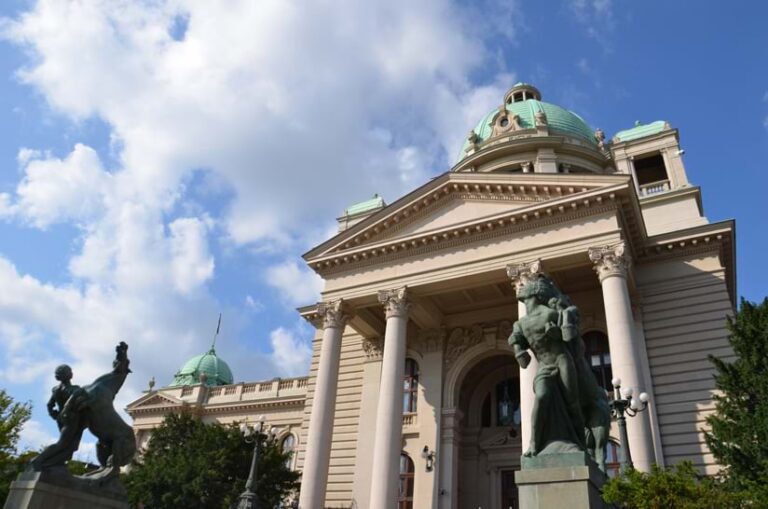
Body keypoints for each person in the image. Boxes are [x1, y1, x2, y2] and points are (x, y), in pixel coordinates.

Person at [509, 275, 585, 456]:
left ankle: (581, 445)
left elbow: (568, 337)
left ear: (534, 293)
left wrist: (558, 332)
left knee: (572, 403)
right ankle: (534, 444)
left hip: (561, 360)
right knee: (542, 397)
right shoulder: (520, 324)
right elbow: (521, 354)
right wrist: (518, 350)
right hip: (544, 365)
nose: (521, 290)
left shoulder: (549, 314)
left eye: (526, 290)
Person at [30, 365, 84, 470]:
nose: (71, 373)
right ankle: (38, 460)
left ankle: (53, 464)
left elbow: (49, 405)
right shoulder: (74, 389)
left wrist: (55, 415)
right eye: (70, 371)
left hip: (61, 419)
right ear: (68, 375)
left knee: (69, 446)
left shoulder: (56, 389)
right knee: (63, 444)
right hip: (72, 419)